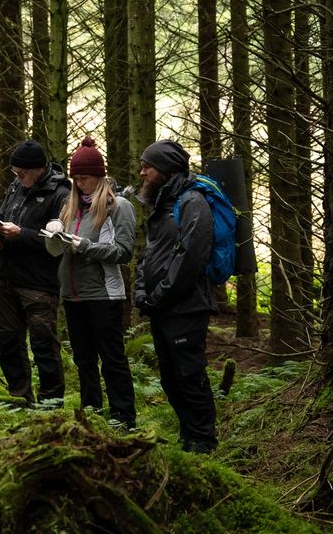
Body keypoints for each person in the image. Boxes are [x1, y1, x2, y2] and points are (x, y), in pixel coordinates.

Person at [133, 139, 219, 453]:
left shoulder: (193, 201)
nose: (142, 172)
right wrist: (142, 291)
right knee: (170, 378)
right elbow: (150, 253)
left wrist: (159, 296)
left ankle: (203, 441)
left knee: (189, 375)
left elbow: (190, 259)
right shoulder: (162, 203)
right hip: (162, 307)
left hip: (186, 307)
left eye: (148, 166)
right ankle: (188, 436)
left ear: (166, 169)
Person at [46, 137, 137, 427]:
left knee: (112, 358)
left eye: (84, 177)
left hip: (104, 296)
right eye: (76, 178)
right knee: (83, 360)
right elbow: (59, 250)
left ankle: (123, 415)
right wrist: (54, 236)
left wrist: (84, 246)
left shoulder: (118, 206)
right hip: (72, 296)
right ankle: (92, 413)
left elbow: (123, 252)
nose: (79, 183)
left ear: (99, 176)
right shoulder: (69, 206)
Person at [0, 139, 70, 405]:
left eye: (23, 173)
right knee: (9, 344)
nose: (18, 178)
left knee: (43, 345)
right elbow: (2, 219)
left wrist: (22, 235)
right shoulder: (15, 187)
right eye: (15, 172)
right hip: (7, 276)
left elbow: (60, 243)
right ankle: (19, 398)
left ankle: (51, 402)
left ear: (39, 168)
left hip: (39, 284)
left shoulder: (61, 194)